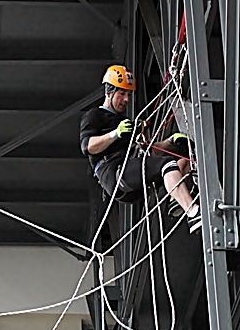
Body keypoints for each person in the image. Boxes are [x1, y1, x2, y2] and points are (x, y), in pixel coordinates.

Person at [80, 64, 202, 234]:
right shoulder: (94, 116)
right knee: (167, 165)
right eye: (121, 93)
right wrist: (115, 133)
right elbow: (88, 146)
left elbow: (148, 150)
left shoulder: (125, 123)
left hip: (130, 177)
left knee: (182, 160)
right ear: (109, 91)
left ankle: (178, 199)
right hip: (115, 173)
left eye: (128, 95)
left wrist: (170, 142)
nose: (126, 99)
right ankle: (193, 212)